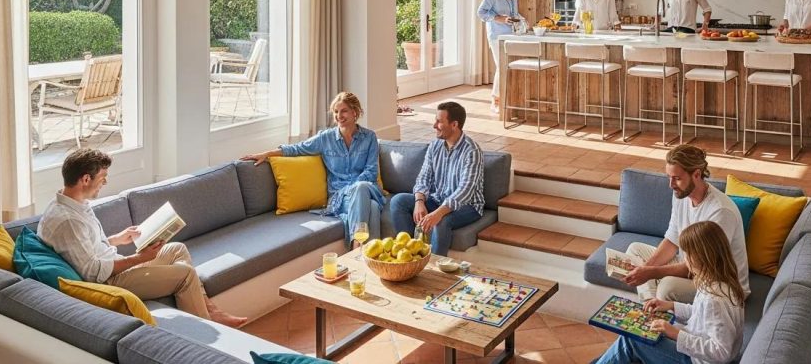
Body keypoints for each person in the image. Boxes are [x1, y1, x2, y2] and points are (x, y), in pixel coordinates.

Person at [38, 149, 247, 327]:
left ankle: (209, 310)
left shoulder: (70, 204)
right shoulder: (69, 220)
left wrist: (118, 239)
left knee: (176, 249)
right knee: (185, 275)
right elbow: (93, 272)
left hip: (114, 263)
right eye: (103, 177)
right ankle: (202, 330)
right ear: (85, 179)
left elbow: (84, 249)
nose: (105, 182)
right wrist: (140, 258)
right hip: (111, 280)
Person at [242, 92, 383, 246]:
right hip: (340, 196)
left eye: (344, 111)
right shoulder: (325, 138)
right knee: (373, 208)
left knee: (361, 187)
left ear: (355, 112)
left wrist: (354, 187)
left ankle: (357, 247)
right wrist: (267, 154)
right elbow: (297, 148)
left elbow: (371, 171)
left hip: (367, 189)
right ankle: (371, 257)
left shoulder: (369, 137)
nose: (338, 116)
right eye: (336, 112)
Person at [595, 220, 746, 364]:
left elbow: (722, 352)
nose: (685, 260)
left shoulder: (715, 299)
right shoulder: (717, 283)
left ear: (702, 258)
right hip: (694, 349)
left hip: (694, 360)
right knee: (636, 335)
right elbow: (702, 314)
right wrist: (671, 305)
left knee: (631, 339)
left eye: (687, 254)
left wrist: (675, 334)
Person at [622, 145, 749, 304]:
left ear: (696, 174)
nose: (671, 184)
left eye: (677, 178)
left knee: (667, 286)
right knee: (635, 251)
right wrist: (645, 269)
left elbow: (700, 266)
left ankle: (656, 307)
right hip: (693, 267)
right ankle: (652, 305)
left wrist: (651, 273)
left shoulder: (720, 211)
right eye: (669, 177)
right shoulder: (681, 195)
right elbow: (672, 240)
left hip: (720, 284)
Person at [389, 101, 484, 255]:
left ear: (454, 125)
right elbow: (423, 178)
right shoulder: (435, 146)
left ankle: (435, 268)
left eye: (439, 121)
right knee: (398, 201)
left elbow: (464, 192)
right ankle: (410, 255)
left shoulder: (472, 151)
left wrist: (438, 213)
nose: (434, 125)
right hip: (438, 199)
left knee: (442, 221)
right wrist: (419, 201)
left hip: (468, 206)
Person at [477, 0, 525, 114]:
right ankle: (496, 101)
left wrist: (522, 20)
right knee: (502, 66)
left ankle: (506, 98)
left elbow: (513, 14)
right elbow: (481, 13)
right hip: (497, 36)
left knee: (509, 66)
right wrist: (499, 18)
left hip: (511, 35)